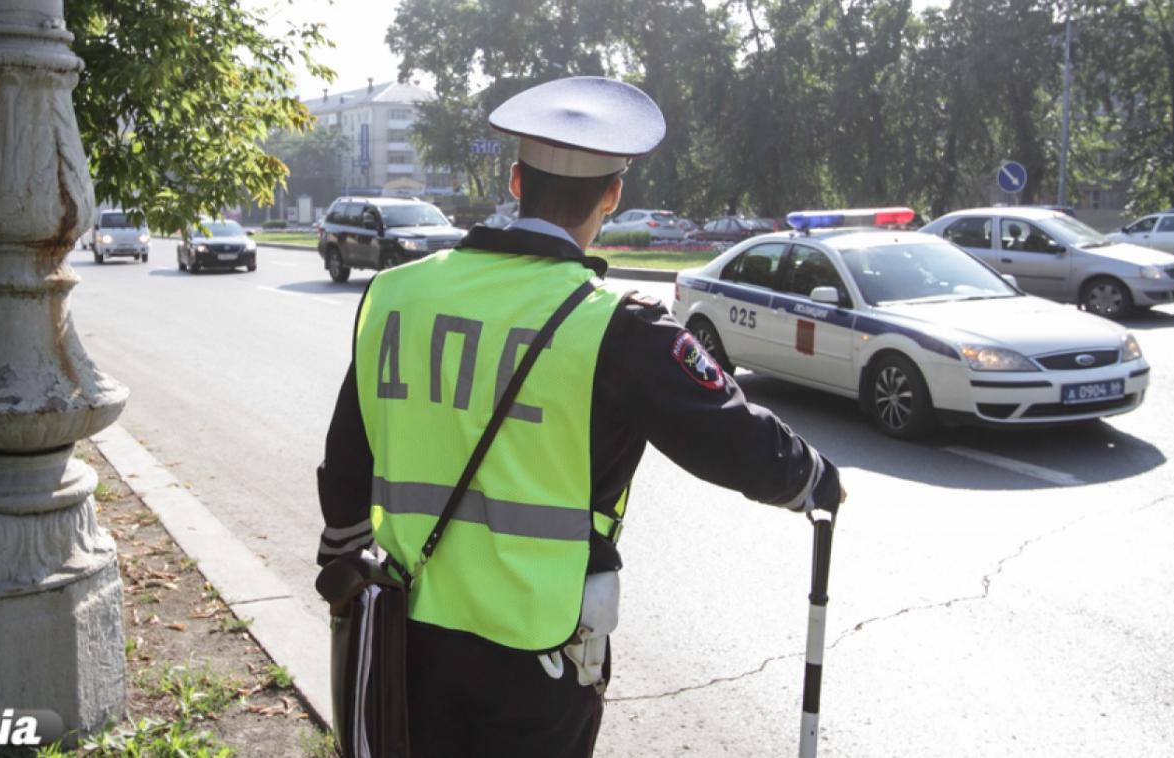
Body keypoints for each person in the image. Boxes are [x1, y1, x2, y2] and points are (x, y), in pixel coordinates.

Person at [316, 76, 845, 758]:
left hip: (408, 634)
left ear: (515, 181)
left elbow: (346, 463)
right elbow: (735, 439)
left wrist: (344, 570)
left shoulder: (394, 293)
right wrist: (815, 481)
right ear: (612, 194)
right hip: (539, 654)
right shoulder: (619, 330)